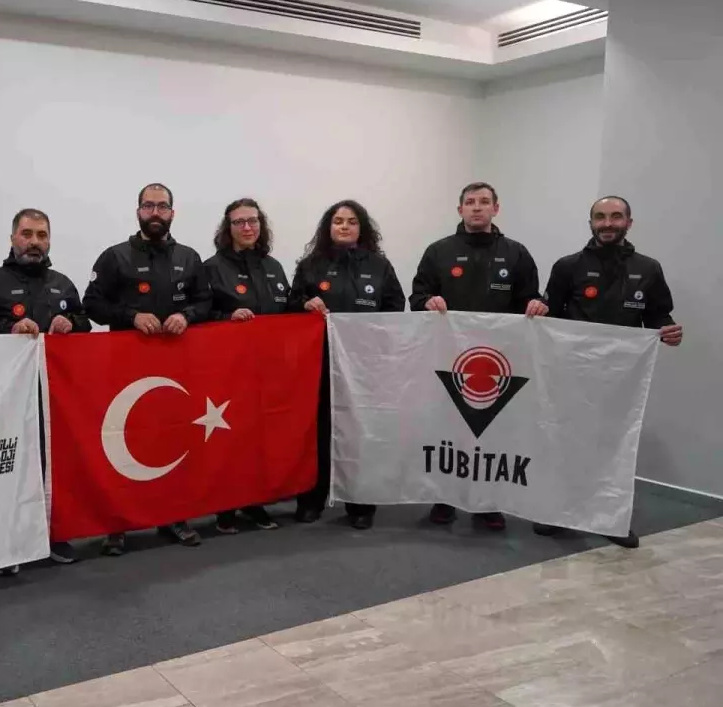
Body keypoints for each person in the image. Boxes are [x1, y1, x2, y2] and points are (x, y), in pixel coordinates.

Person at [534, 195, 683, 549]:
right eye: (600, 217)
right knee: (566, 441)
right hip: (572, 371)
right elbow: (551, 312)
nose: (607, 223)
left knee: (615, 446)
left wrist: (668, 330)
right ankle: (558, 512)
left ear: (629, 222)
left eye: (616, 217)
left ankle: (610, 517)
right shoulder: (567, 266)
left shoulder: (649, 268)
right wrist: (539, 310)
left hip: (622, 378)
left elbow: (659, 315)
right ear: (591, 223)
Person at [409, 181, 548, 531]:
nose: (476, 207)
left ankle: (487, 503)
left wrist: (537, 304)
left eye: (484, 202)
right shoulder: (438, 251)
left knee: (492, 431)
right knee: (447, 430)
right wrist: (427, 301)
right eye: (470, 202)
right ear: (460, 210)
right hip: (447, 359)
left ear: (495, 209)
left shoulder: (516, 253)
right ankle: (444, 499)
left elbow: (531, 298)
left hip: (499, 360)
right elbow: (417, 297)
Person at [84, 182, 212, 555]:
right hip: (125, 371)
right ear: (138, 211)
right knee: (122, 442)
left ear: (173, 212)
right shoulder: (114, 257)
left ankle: (174, 516)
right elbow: (92, 305)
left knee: (173, 439)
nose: (155, 213)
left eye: (162, 206)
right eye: (148, 206)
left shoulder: (190, 258)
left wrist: (187, 315)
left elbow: (206, 302)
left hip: (176, 370)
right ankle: (117, 524)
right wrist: (131, 316)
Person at [0, 208, 91, 569]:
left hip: (53, 394)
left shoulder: (62, 284)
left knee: (54, 464)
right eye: (27, 234)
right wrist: (10, 329)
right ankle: (9, 546)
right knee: (12, 466)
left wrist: (72, 322)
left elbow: (84, 323)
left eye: (42, 235)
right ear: (13, 238)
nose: (34, 242)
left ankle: (54, 535)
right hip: (7, 397)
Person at [289, 201, 405, 529]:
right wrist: (305, 303)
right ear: (328, 227)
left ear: (361, 228)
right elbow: (291, 304)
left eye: (352, 221)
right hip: (319, 363)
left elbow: (396, 307)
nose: (344, 226)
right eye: (338, 221)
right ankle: (311, 498)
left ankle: (360, 504)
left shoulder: (379, 266)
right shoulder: (311, 265)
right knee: (317, 432)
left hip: (363, 366)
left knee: (359, 433)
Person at [203, 198, 289, 533]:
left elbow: (289, 310)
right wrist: (227, 316)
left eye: (253, 221)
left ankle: (255, 502)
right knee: (229, 438)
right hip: (228, 369)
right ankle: (225, 507)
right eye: (239, 222)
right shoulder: (212, 268)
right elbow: (201, 312)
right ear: (228, 228)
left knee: (260, 437)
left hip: (268, 369)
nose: (247, 227)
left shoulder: (274, 267)